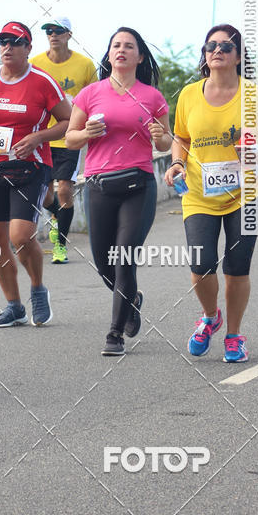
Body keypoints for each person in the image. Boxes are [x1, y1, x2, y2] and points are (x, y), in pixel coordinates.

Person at [164, 24, 258, 364]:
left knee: (237, 267)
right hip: (200, 193)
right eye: (211, 45)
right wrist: (176, 163)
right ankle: (209, 316)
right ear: (204, 54)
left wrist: (256, 152)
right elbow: (181, 137)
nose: (217, 50)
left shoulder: (256, 96)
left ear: (239, 55)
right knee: (201, 265)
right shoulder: (188, 94)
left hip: (246, 194)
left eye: (226, 46)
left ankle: (233, 335)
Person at [65, 27, 170, 356]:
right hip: (98, 185)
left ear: (140, 56)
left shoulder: (152, 96)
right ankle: (132, 300)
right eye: (116, 45)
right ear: (109, 55)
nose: (121, 50)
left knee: (124, 257)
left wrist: (158, 134)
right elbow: (69, 138)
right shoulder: (90, 93)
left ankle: (114, 334)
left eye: (129, 46)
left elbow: (168, 142)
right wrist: (85, 132)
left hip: (138, 185)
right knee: (103, 261)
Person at [0, 21, 71, 327]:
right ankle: (14, 306)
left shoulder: (42, 82)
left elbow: (68, 121)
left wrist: (39, 137)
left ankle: (38, 288)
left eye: (15, 42)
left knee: (21, 236)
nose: (7, 47)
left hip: (31, 167)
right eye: (2, 41)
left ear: (28, 47)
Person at [31, 17, 96, 264]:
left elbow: (94, 97)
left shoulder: (85, 64)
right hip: (44, 136)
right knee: (45, 195)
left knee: (66, 189)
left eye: (58, 31)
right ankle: (58, 218)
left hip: (70, 135)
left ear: (69, 34)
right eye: (48, 31)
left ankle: (60, 246)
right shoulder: (35, 63)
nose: (53, 35)